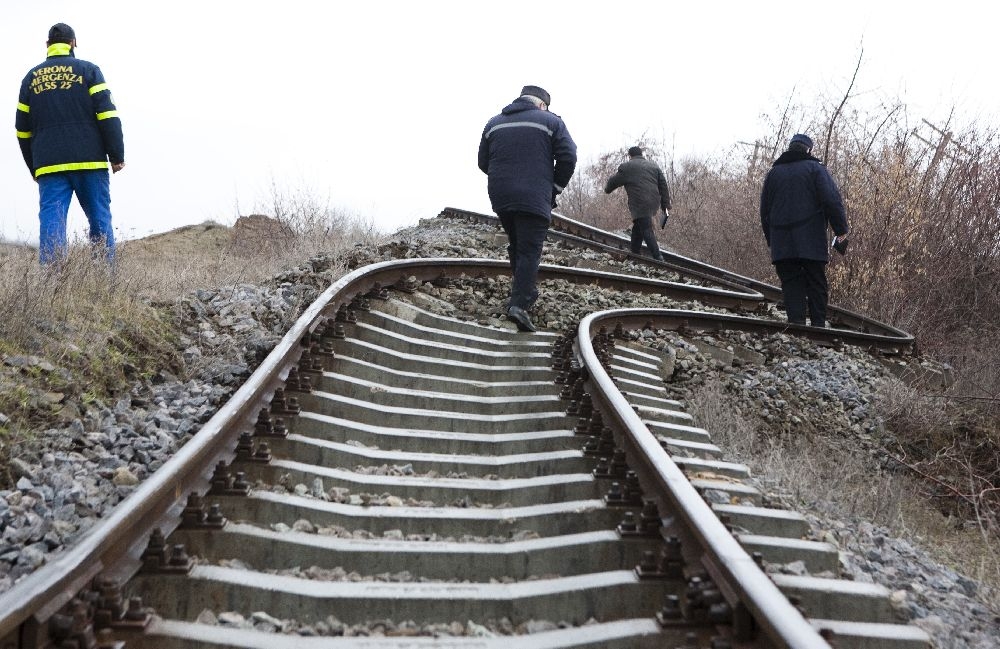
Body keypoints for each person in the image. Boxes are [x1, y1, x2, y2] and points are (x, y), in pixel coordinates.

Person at [15, 23, 125, 264]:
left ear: (47, 46)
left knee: (52, 223)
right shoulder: (89, 71)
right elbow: (108, 116)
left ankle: (53, 285)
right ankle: (104, 277)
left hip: (50, 166)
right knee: (99, 220)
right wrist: (116, 155)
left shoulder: (30, 79)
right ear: (74, 43)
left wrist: (34, 167)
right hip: (90, 162)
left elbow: (22, 131)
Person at [478, 85, 577, 332]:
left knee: (518, 244)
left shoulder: (493, 123)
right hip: (534, 196)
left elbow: (482, 162)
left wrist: (505, 179)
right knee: (530, 249)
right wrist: (554, 187)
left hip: (501, 195)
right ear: (542, 105)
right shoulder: (551, 122)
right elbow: (569, 156)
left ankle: (524, 290)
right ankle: (519, 305)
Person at [760, 133, 849, 328]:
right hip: (811, 241)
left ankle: (797, 327)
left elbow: (764, 211)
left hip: (782, 242)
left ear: (790, 148)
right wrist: (841, 230)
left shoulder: (773, 174)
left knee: (791, 284)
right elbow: (832, 201)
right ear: (808, 150)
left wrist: (771, 239)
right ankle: (817, 327)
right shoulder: (815, 169)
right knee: (816, 282)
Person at [604, 145, 672, 261]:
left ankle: (658, 257)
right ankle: (634, 254)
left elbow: (613, 181)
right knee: (638, 226)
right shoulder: (654, 166)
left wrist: (607, 189)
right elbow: (663, 186)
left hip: (640, 203)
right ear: (641, 154)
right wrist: (665, 204)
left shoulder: (627, 167)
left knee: (646, 228)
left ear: (629, 156)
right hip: (654, 202)